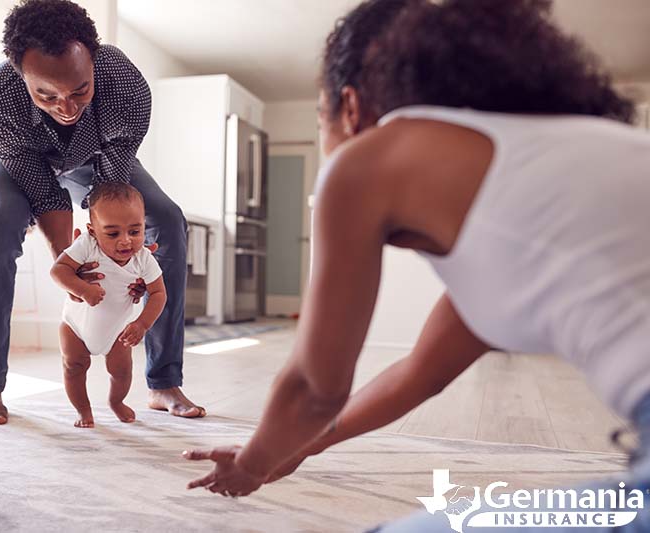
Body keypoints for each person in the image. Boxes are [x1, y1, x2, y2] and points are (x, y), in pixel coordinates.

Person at [183, 0, 650, 531]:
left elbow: (315, 387)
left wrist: (252, 464)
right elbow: (419, 374)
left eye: (319, 118)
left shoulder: (365, 164)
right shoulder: (533, 204)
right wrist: (299, 448)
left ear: (350, 108)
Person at [0, 0, 204, 424]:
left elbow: (111, 192)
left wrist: (125, 259)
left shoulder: (125, 86)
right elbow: (45, 193)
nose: (67, 107)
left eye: (79, 91)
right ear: (21, 74)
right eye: (47, 95)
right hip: (15, 157)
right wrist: (75, 270)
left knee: (166, 218)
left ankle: (163, 382)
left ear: (93, 61)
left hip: (96, 157)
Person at [50, 182, 166, 428]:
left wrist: (142, 324)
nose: (125, 241)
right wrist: (82, 289)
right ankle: (83, 410)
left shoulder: (143, 259)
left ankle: (116, 402)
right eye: (112, 234)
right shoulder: (86, 246)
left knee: (122, 372)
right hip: (76, 326)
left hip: (117, 330)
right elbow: (58, 271)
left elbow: (158, 294)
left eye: (135, 232)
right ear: (92, 231)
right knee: (74, 366)